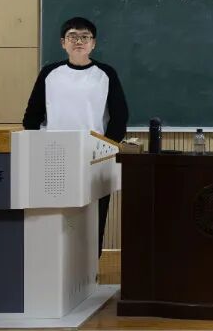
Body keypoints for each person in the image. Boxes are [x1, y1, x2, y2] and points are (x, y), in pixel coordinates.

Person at [22, 16, 129, 256]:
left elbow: (119, 117)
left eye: (85, 37)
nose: (78, 41)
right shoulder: (50, 73)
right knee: (54, 215)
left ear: (93, 43)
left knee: (93, 216)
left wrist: (104, 148)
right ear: (63, 43)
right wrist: (41, 147)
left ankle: (90, 266)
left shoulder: (105, 74)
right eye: (72, 36)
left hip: (95, 158)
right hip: (53, 157)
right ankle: (52, 263)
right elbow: (31, 117)